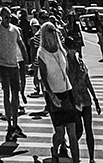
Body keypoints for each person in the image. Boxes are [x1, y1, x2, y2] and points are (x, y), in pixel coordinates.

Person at [35, 22, 82, 163]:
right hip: (54, 95)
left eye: (54, 30)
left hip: (67, 92)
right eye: (50, 31)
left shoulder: (61, 50)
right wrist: (51, 96)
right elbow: (43, 77)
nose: (53, 33)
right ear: (45, 34)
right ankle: (54, 150)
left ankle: (76, 161)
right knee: (60, 133)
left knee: (72, 133)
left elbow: (67, 71)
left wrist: (75, 93)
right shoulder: (41, 53)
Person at [0, 7, 27, 143]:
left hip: (14, 65)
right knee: (6, 94)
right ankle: (10, 124)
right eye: (5, 17)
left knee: (15, 95)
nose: (7, 19)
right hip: (3, 66)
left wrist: (26, 63)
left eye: (9, 17)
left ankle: (15, 124)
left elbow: (21, 46)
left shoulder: (15, 30)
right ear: (1, 17)